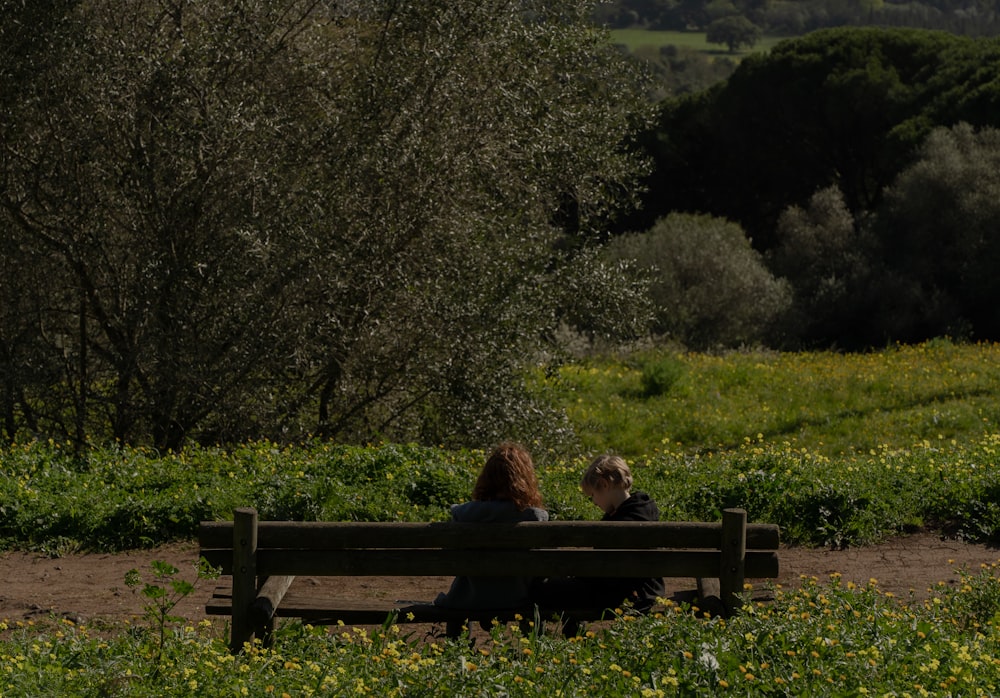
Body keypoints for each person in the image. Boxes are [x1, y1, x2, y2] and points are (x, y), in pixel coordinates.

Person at [531, 454, 665, 634]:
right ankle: (573, 628)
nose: (594, 502)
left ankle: (553, 631)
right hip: (647, 591)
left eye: (593, 495)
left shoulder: (618, 523)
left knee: (545, 589)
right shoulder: (644, 511)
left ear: (604, 484)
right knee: (567, 588)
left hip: (621, 595)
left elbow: (605, 571)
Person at [434, 441, 548, 637]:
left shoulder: (464, 515)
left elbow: (452, 558)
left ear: (487, 478)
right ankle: (533, 648)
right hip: (519, 598)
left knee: (459, 591)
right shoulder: (535, 517)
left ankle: (458, 650)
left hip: (471, 598)